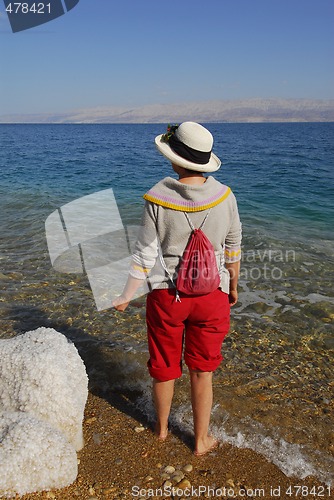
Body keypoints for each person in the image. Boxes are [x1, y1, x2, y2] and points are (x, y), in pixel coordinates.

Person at [113, 122, 242, 456]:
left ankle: (161, 429)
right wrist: (234, 286)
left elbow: (144, 253)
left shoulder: (157, 197)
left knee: (164, 367)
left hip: (168, 297)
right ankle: (200, 441)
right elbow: (233, 247)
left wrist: (127, 294)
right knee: (202, 371)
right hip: (212, 297)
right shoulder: (226, 197)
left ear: (175, 159)